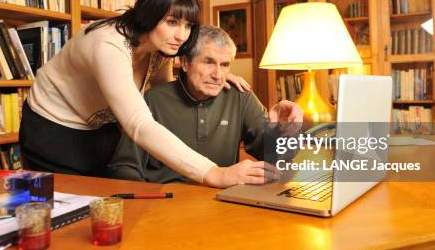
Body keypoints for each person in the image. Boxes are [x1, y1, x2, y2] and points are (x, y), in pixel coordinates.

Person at [19, 0, 278, 187]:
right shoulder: (107, 45)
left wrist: (214, 74)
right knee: (67, 211)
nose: (181, 35)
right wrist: (215, 174)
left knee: (102, 203)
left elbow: (164, 92)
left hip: (103, 128)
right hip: (55, 129)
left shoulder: (160, 45)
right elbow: (139, 123)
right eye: (172, 22)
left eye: (188, 25)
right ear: (150, 14)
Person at [107, 25, 303, 183]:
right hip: (165, 206)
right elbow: (124, 167)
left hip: (221, 204)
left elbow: (278, 157)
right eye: (208, 62)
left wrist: (283, 130)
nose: (218, 75)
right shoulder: (153, 100)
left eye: (225, 65)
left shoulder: (240, 97)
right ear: (185, 63)